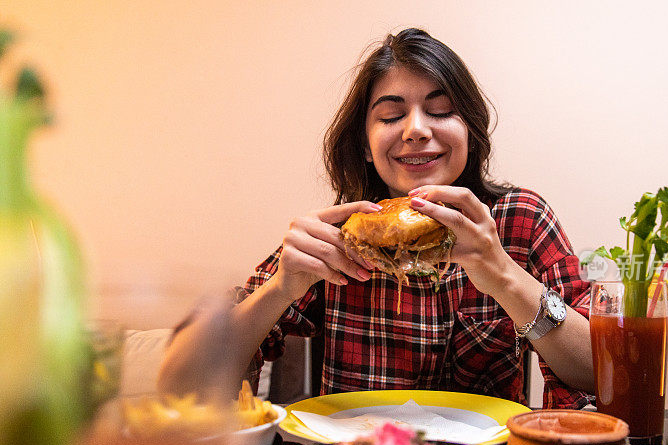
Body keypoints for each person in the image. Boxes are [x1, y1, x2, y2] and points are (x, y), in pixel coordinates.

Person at [159, 28, 594, 408]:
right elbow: (183, 388)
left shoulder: (520, 219)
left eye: (441, 111)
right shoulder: (338, 238)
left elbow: (599, 372)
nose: (416, 129)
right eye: (391, 115)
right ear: (366, 145)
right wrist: (280, 287)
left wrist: (502, 275)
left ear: (470, 131)